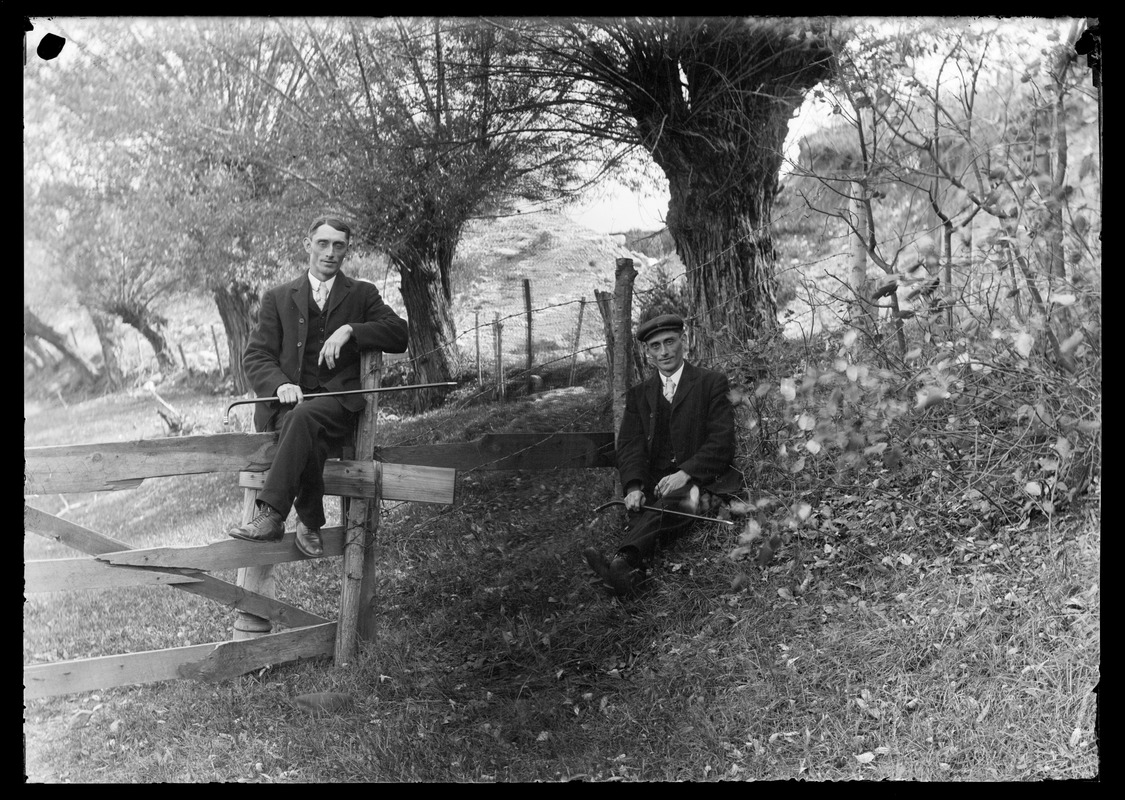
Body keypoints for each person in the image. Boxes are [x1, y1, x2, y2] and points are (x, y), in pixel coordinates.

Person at [227, 215, 409, 557]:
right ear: (307, 245)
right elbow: (255, 356)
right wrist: (280, 384)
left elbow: (400, 334)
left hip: (338, 404)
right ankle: (310, 520)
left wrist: (351, 330)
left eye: (338, 246)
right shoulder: (278, 298)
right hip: (287, 407)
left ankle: (272, 516)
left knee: (304, 417)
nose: (330, 252)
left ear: (346, 251)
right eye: (323, 243)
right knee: (302, 423)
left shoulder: (362, 294)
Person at [584, 313, 740, 596]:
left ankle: (623, 562)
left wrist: (685, 473)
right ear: (647, 353)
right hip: (657, 484)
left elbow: (722, 441)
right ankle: (631, 580)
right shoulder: (639, 395)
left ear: (684, 341)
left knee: (673, 505)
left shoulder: (711, 383)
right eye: (656, 346)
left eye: (670, 342)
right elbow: (630, 447)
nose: (665, 351)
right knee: (645, 507)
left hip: (702, 483)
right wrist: (633, 487)